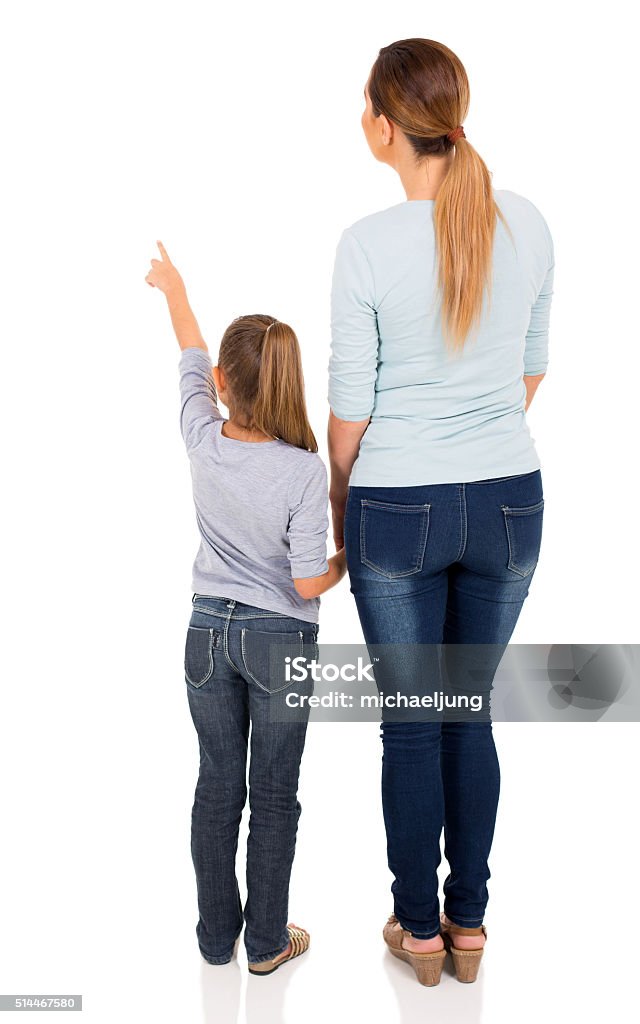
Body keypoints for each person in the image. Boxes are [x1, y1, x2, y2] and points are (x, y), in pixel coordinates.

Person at [327, 39, 554, 986]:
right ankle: (468, 930)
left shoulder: (367, 245)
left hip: (398, 509)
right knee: (469, 717)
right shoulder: (529, 223)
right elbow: (532, 367)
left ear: (385, 124)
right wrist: (477, 437)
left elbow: (350, 409)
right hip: (509, 503)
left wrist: (341, 513)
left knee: (413, 724)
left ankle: (416, 932)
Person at [145, 241, 347, 975]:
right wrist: (347, 561)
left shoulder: (202, 438)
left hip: (204, 635)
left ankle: (212, 939)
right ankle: (266, 943)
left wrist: (173, 289)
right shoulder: (301, 471)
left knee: (216, 788)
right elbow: (303, 585)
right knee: (273, 796)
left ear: (224, 384)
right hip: (278, 640)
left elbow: (190, 353)